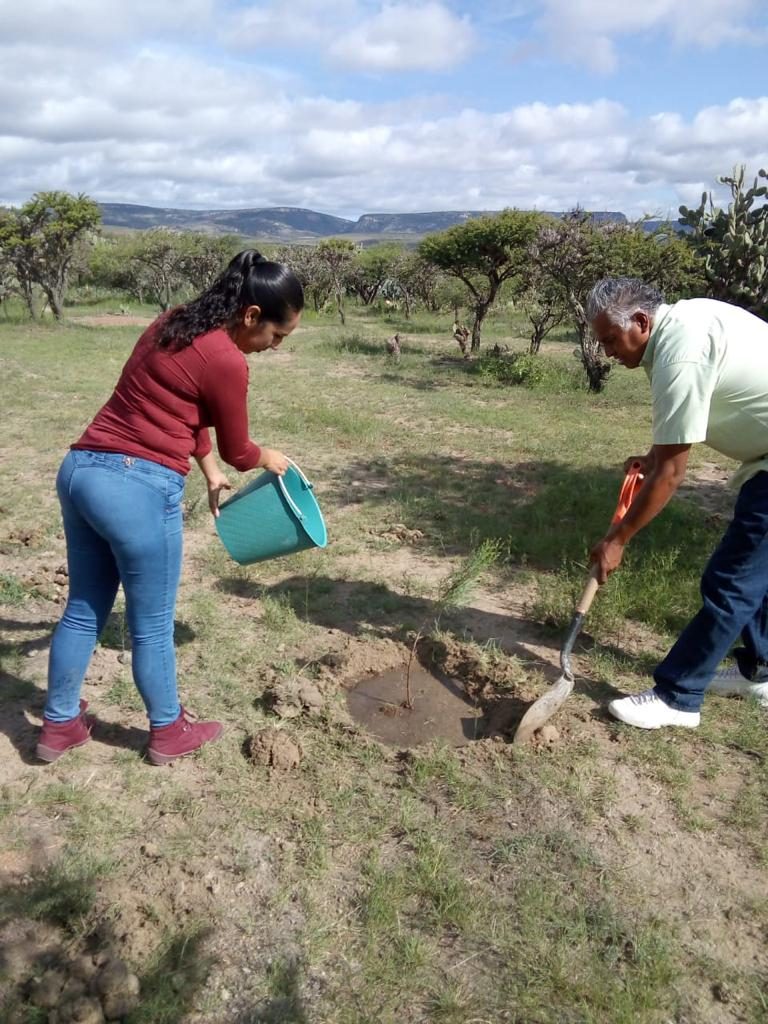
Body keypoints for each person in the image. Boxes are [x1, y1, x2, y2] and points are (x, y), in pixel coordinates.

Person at [37, 250, 304, 764]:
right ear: (251, 315)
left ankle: (59, 722)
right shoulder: (229, 360)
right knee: (153, 624)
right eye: (277, 336)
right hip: (136, 489)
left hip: (80, 472)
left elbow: (181, 406)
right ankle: (168, 732)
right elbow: (241, 450)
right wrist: (270, 458)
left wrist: (208, 472)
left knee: (84, 606)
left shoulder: (177, 321)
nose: (273, 347)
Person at [587, 277, 768, 730]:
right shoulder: (681, 325)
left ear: (642, 322)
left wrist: (618, 539)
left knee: (730, 581)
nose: (606, 352)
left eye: (610, 339)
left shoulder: (679, 351)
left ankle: (678, 697)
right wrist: (654, 456)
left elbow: (673, 474)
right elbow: (686, 426)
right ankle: (760, 671)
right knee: (755, 574)